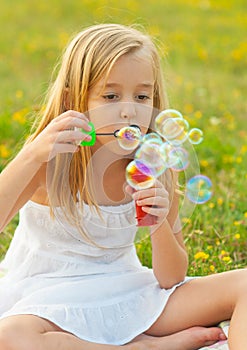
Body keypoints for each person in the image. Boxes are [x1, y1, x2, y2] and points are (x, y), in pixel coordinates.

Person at [0, 23, 246, 350]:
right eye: (111, 96)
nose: (129, 109)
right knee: (11, 337)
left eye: (142, 96)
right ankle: (143, 347)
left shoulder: (152, 164)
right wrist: (30, 156)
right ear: (77, 98)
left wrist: (157, 223)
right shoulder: (51, 160)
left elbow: (170, 277)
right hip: (47, 300)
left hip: (125, 293)